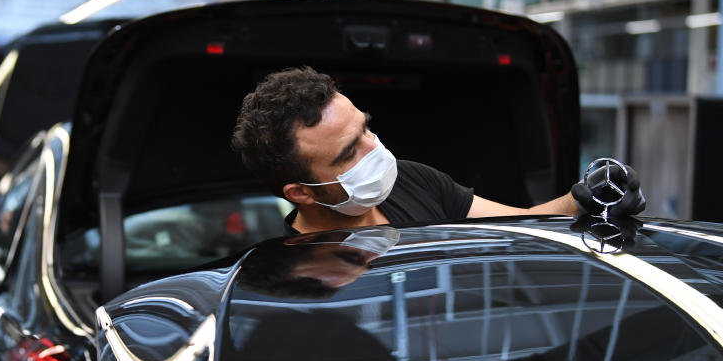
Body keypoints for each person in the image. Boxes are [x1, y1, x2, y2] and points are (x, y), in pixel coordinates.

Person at [231, 66, 645, 235]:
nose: (374, 150)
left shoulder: (411, 181)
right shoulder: (297, 276)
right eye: (347, 154)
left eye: (366, 130)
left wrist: (587, 198)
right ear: (301, 192)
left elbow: (522, 227)